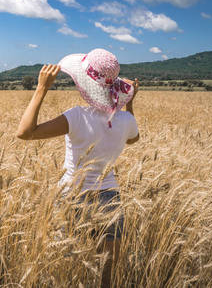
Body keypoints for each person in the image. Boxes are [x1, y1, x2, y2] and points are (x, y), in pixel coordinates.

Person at [15, 48, 139, 288]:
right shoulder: (126, 121)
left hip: (73, 198)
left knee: (66, 270)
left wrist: (41, 88)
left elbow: (24, 133)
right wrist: (129, 105)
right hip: (111, 200)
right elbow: (132, 139)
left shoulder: (77, 116)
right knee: (106, 276)